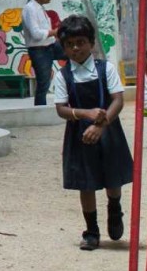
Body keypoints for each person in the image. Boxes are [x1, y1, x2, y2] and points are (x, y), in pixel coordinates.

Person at [54, 16, 133, 251]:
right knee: (85, 182)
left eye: (80, 42)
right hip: (79, 134)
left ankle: (114, 208)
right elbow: (61, 109)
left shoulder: (105, 68)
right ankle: (91, 231)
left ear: (91, 42)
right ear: (64, 47)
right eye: (70, 44)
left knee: (112, 176)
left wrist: (101, 125)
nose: (75, 48)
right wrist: (86, 114)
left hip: (108, 130)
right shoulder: (63, 75)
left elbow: (118, 101)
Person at [21, 0, 59, 106]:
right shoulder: (30, 8)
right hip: (39, 50)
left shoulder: (40, 8)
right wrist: (54, 32)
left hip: (50, 46)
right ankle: (40, 109)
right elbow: (36, 34)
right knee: (43, 83)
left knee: (74, 52)